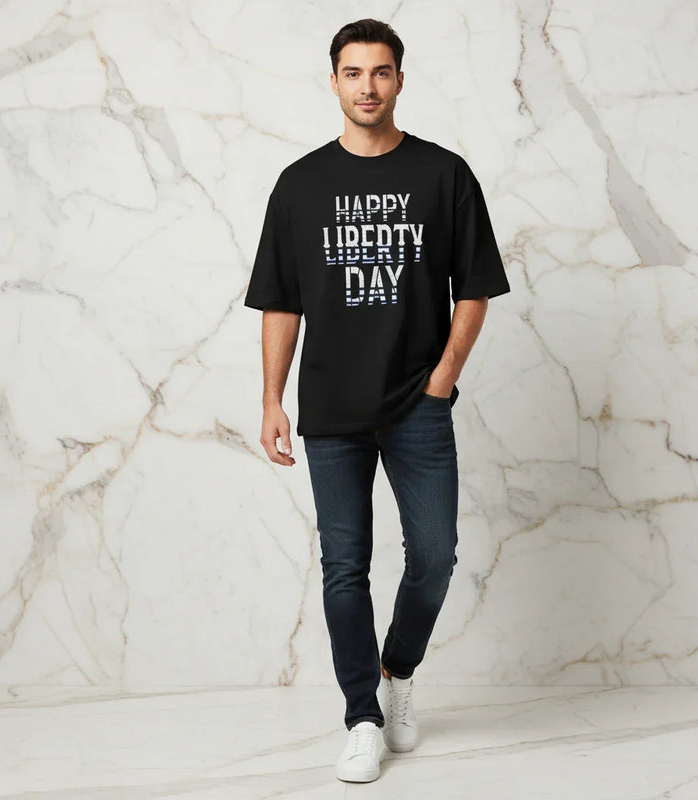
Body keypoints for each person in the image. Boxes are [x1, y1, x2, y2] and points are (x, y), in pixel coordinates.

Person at [244, 18, 510, 784]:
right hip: (330, 408)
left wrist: (441, 378)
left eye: (381, 72)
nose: (367, 86)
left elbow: (477, 288)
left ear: (400, 80)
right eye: (353, 73)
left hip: (418, 405)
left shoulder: (444, 175)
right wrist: (272, 398)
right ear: (333, 82)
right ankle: (361, 715)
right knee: (343, 566)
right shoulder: (300, 184)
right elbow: (281, 303)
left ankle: (398, 672)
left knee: (434, 555)